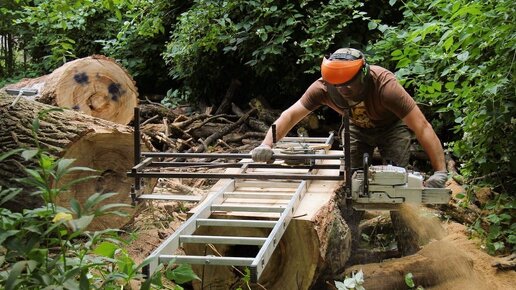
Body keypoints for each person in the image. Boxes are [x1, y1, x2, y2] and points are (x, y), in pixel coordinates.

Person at [251, 48, 447, 188]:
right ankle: (352, 231)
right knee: (352, 183)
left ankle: (406, 233)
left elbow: (422, 126)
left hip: (391, 128)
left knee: (396, 182)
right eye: (336, 85)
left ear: (363, 74)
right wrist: (267, 144)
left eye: (347, 84)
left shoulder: (385, 87)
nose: (342, 89)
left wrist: (440, 170)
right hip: (356, 129)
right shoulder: (323, 88)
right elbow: (291, 114)